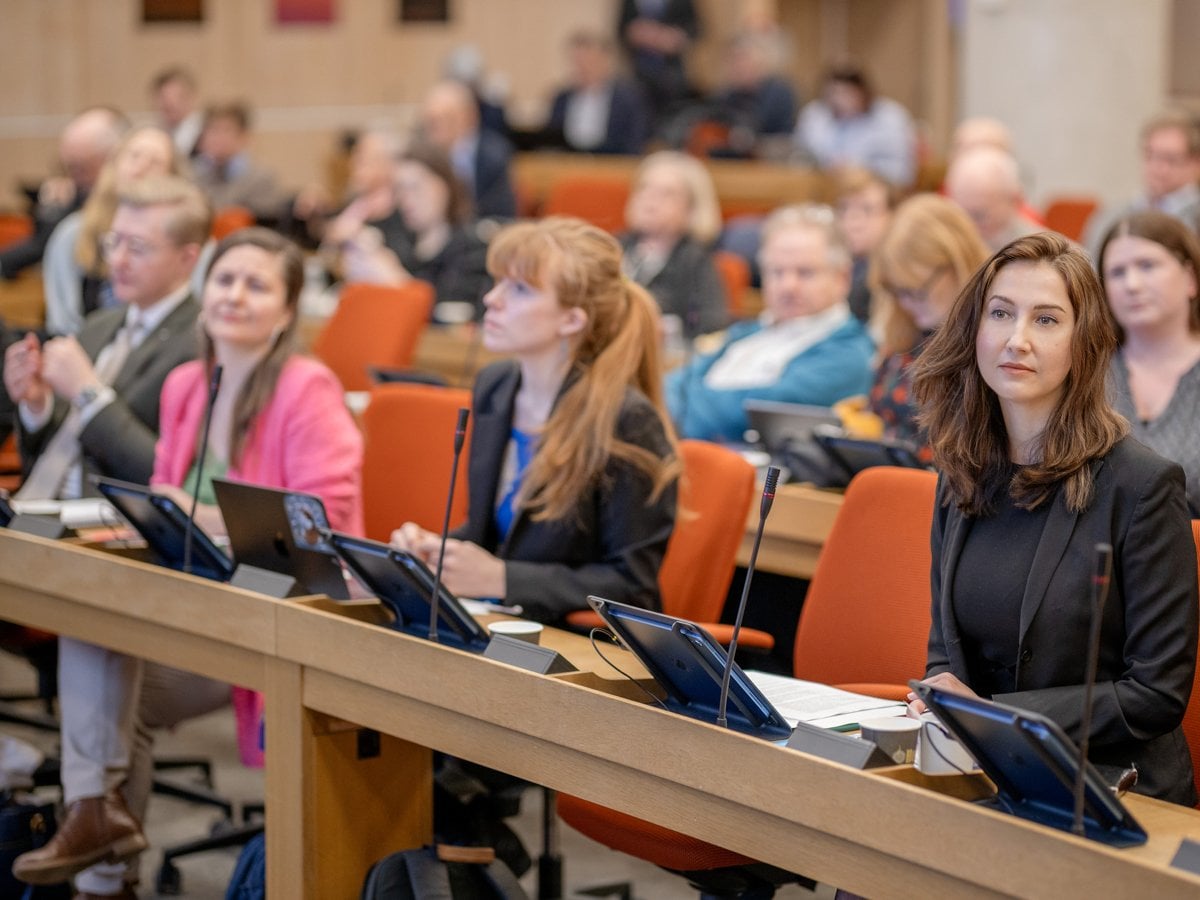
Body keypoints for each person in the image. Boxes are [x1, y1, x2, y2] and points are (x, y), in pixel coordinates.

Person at [11, 228, 364, 896]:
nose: (234, 295)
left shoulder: (305, 387)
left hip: (286, 617)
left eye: (256, 285)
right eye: (225, 280)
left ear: (288, 311)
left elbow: (320, 525)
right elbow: (169, 518)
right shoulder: (184, 385)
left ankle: (100, 856)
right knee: (100, 637)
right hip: (197, 606)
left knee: (112, 684)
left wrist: (196, 517)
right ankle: (103, 854)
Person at [909, 232, 1198, 806]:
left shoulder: (1143, 486)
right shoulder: (961, 472)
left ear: (1083, 342)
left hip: (1106, 783)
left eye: (1046, 320)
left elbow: (1155, 692)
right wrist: (945, 700)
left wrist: (993, 717)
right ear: (975, 330)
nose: (1017, 340)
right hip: (985, 765)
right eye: (1001, 313)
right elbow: (947, 651)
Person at [390, 216, 679, 625]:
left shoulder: (626, 420)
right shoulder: (496, 386)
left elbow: (631, 584)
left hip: (585, 650)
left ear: (572, 320)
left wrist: (501, 578)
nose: (492, 299)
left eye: (520, 289)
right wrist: (433, 552)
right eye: (498, 282)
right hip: (507, 625)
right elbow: (492, 534)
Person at [4, 175, 207, 501]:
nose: (118, 260)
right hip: (40, 512)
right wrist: (36, 405)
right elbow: (43, 458)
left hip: (109, 531)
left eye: (137, 247)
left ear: (187, 259)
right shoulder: (98, 326)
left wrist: (89, 394)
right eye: (114, 242)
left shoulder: (201, 344)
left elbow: (169, 479)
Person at [665, 203, 874, 442]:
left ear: (842, 277)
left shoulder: (848, 353)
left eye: (805, 272)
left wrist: (677, 404)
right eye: (777, 272)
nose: (788, 286)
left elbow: (742, 416)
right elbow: (670, 386)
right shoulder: (746, 333)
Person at [861, 194, 989, 456]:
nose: (906, 303)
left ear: (956, 266)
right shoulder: (907, 331)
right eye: (897, 292)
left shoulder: (990, 343)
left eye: (916, 291)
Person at [1098, 210, 1200, 514]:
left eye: (1147, 266)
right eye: (1117, 272)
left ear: (1191, 278)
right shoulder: (1087, 373)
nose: (1132, 284)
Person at [41, 125, 186, 337]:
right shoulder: (72, 233)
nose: (142, 167)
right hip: (83, 349)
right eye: (134, 156)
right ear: (114, 166)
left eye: (155, 161)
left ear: (173, 178)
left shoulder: (188, 238)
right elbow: (62, 322)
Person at [335, 142, 491, 319]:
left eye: (415, 187)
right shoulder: (394, 242)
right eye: (399, 189)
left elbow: (451, 323)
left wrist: (396, 283)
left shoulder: (472, 249)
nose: (407, 199)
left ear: (445, 185)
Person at [0, 107, 128, 282]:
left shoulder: (131, 211)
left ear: (113, 160)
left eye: (80, 168)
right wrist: (51, 209)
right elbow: (41, 243)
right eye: (69, 167)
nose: (74, 178)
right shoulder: (75, 196)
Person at [620, 151, 728, 337]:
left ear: (691, 208)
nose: (650, 200)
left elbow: (710, 328)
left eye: (666, 194)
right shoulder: (614, 247)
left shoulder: (695, 261)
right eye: (644, 188)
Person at [1086, 110, 1200, 251]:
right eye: (1150, 155)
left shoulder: (1195, 219)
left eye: (1170, 159)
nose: (1157, 167)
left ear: (1195, 163)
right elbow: (1091, 268)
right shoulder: (1113, 215)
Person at [792, 65, 917, 188]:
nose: (838, 100)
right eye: (832, 93)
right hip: (823, 187)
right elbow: (798, 155)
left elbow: (901, 173)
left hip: (875, 191)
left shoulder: (890, 118)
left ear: (864, 93)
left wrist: (861, 171)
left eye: (846, 93)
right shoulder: (815, 115)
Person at [420, 80, 517, 220]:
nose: (434, 130)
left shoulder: (493, 155)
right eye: (430, 121)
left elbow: (501, 214)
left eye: (445, 119)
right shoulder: (421, 155)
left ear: (469, 116)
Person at [545, 30, 650, 155]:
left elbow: (635, 142)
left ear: (605, 60)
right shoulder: (562, 98)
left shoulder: (628, 99)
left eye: (588, 61)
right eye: (577, 62)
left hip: (611, 165)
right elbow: (550, 141)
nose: (582, 67)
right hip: (568, 163)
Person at [191, 102, 288, 222]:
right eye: (213, 130)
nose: (218, 138)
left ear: (243, 136)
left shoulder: (263, 178)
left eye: (226, 130)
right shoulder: (191, 175)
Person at [617, 0, 700, 129]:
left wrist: (674, 37)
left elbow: (696, 28)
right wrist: (634, 33)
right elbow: (621, 29)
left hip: (672, 75)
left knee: (673, 125)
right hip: (639, 72)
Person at [944, 146, 1043, 252]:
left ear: (1014, 201)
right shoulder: (945, 243)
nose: (968, 226)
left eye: (978, 215)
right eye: (960, 215)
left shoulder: (1040, 253)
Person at [833, 166, 896, 322]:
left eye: (867, 210)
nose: (853, 222)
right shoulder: (829, 265)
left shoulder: (895, 275)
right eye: (844, 208)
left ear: (891, 216)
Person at [150, 66, 203, 157]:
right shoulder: (153, 133)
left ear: (192, 97)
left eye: (178, 97)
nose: (171, 104)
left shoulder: (205, 134)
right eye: (164, 98)